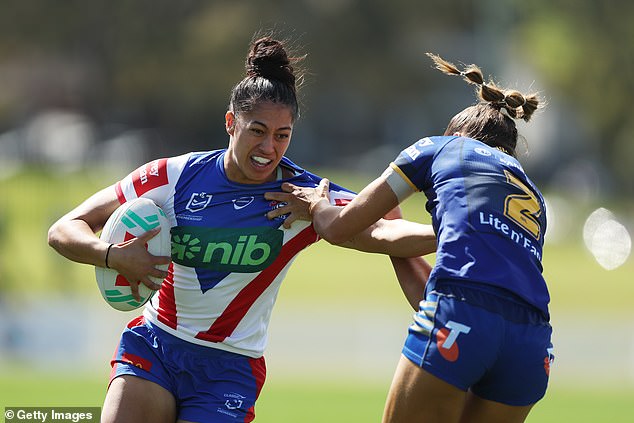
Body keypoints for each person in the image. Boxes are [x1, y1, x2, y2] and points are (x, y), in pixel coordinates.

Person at [47, 34, 435, 423]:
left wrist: (452, 231)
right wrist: (113, 255)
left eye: (282, 136)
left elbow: (385, 231)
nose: (269, 147)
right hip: (155, 344)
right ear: (231, 122)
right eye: (258, 131)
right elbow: (65, 229)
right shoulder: (173, 176)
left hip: (229, 368)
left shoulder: (304, 197)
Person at [267, 53, 554, 423]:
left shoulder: (438, 147)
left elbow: (337, 228)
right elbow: (461, 298)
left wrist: (319, 205)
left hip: (463, 313)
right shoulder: (532, 194)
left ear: (455, 134)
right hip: (533, 346)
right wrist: (394, 241)